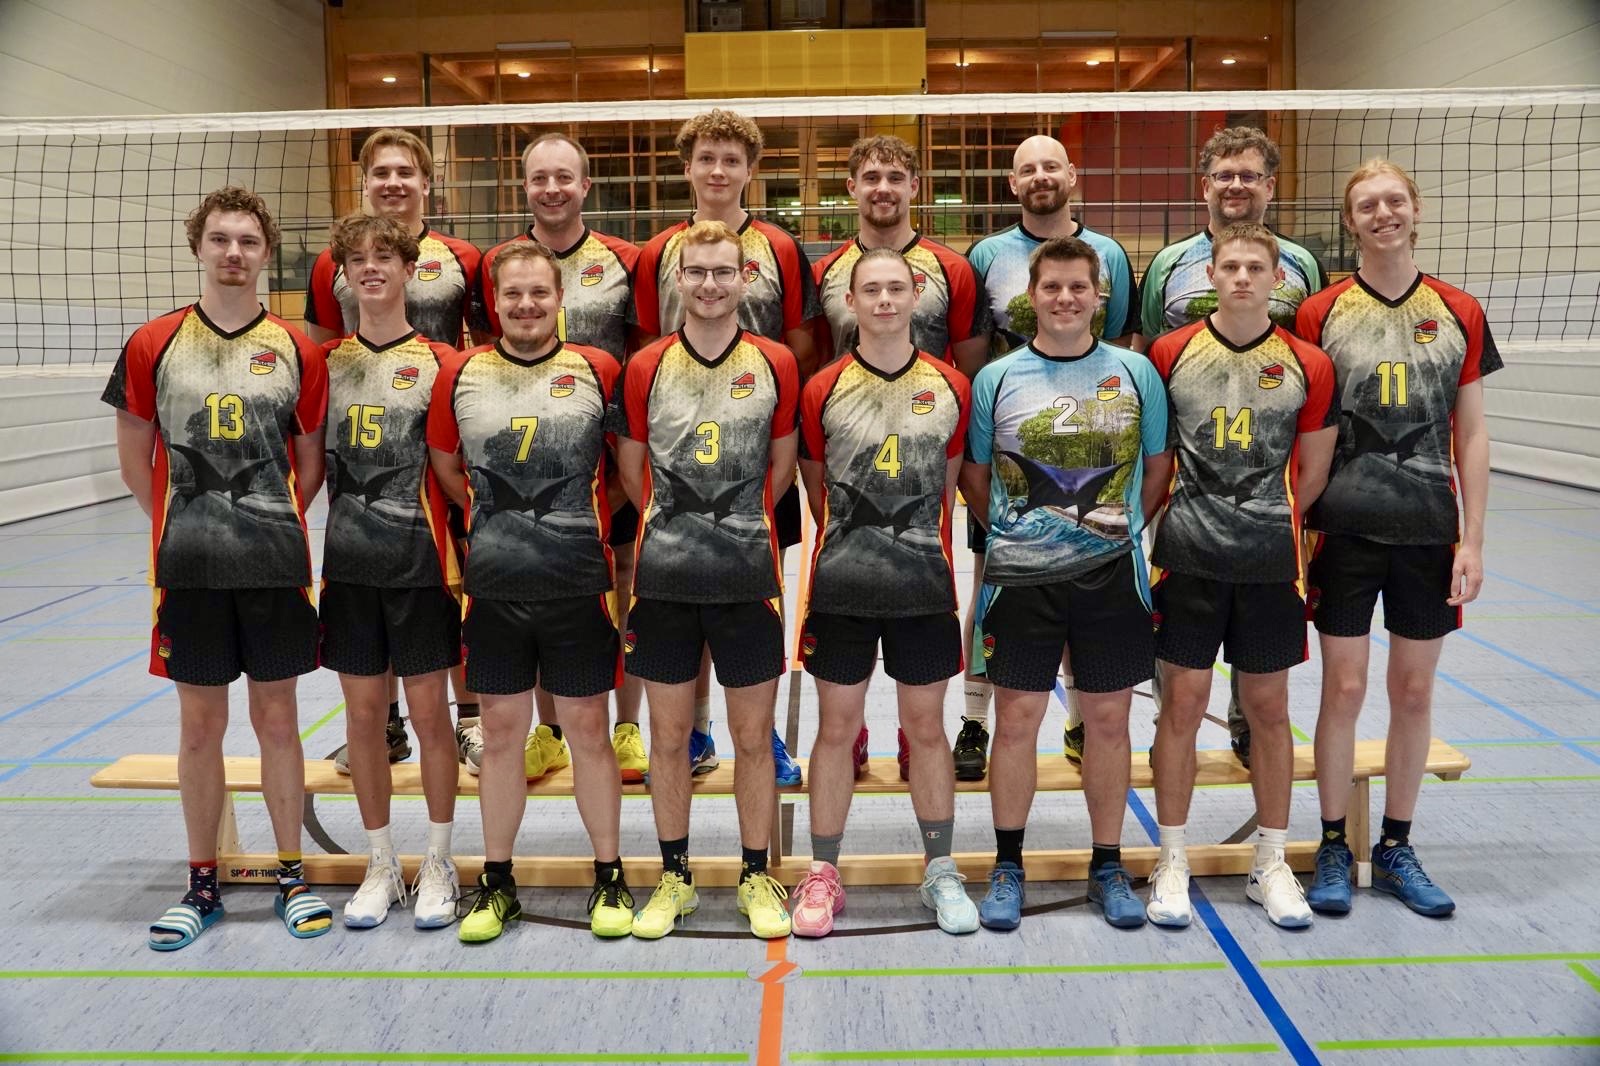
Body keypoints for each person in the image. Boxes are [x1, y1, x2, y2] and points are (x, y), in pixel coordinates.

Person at [106, 186, 333, 950]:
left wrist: (261, 524)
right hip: (190, 572)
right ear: (199, 247)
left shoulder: (298, 348)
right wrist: (192, 527)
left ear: (267, 252)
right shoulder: (153, 343)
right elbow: (136, 461)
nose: (234, 253)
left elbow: (309, 463)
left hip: (275, 569)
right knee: (200, 727)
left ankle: (291, 876)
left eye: (247, 241)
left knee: (278, 721)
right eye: (220, 240)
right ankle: (201, 882)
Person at [1298, 160, 1499, 918]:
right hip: (1342, 531)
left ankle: (1395, 845)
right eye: (1366, 205)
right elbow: (1306, 430)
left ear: (1415, 210)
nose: (1382, 213)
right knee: (1344, 688)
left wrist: (1472, 539)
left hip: (1427, 534)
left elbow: (1471, 433)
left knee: (1413, 691)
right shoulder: (1320, 312)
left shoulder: (1459, 309)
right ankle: (1331, 843)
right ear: (1350, 221)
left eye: (1394, 201)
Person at [426, 241, 632, 942]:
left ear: (560, 298)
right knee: (503, 734)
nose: (526, 305)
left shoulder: (598, 369)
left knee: (588, 733)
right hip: (494, 589)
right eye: (512, 294)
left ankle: (609, 875)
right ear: (493, 303)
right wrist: (504, 525)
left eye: (539, 292)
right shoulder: (460, 373)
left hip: (579, 586)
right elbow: (448, 469)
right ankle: (497, 882)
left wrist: (567, 524)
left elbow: (626, 469)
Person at [961, 237, 1168, 932]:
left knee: (1107, 723)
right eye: (1052, 286)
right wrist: (1024, 538)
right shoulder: (997, 379)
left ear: (1099, 296)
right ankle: (1008, 866)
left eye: (1079, 286)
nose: (1065, 298)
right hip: (1021, 580)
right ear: (1032, 296)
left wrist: (1112, 531)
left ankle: (1106, 864)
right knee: (1017, 722)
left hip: (1112, 578)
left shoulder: (1136, 373)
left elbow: (1158, 468)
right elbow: (976, 479)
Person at [1143, 223, 1337, 930]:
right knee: (1181, 707)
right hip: (1187, 559)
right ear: (1212, 275)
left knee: (1268, 710)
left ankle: (1271, 861)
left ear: (1278, 278)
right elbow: (1158, 461)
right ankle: (1171, 858)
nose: (1244, 277)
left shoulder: (1309, 364)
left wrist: (1261, 521)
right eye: (1231, 266)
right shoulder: (1170, 353)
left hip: (1269, 565)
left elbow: (1311, 474)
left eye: (1257, 267)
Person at [612, 221, 801, 940]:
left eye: (724, 272)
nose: (711, 284)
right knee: (667, 739)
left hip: (748, 579)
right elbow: (633, 470)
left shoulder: (775, 361)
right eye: (697, 272)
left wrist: (733, 525)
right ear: (679, 280)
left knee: (752, 739)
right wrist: (683, 526)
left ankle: (755, 874)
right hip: (664, 579)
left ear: (745, 279)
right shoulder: (646, 365)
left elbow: (781, 468)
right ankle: (675, 878)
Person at [633, 108, 822, 786]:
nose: (718, 170)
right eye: (706, 158)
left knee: (756, 599)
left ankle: (758, 729)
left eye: (731, 160)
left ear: (750, 170)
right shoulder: (658, 252)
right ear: (687, 168)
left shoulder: (780, 247)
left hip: (755, 457)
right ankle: (696, 727)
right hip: (678, 461)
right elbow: (648, 344)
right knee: (684, 600)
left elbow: (799, 343)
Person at [791, 248, 976, 937]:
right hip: (841, 587)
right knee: (836, 731)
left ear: (916, 294)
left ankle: (940, 868)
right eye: (872, 290)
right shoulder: (822, 388)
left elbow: (948, 489)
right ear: (851, 301)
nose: (886, 301)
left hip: (923, 587)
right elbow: (818, 490)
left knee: (926, 730)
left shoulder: (951, 386)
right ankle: (823, 871)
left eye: (897, 288)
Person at [1140, 125, 1330, 769]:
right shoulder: (1169, 263)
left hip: (1268, 480)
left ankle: (1247, 721)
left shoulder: (1300, 264)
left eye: (1249, 175)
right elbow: (1147, 356)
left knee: (1260, 648)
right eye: (1224, 175)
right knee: (1183, 642)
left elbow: (1310, 360)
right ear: (1205, 186)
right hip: (1189, 484)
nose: (1236, 186)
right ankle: (1172, 723)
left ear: (1270, 186)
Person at [470, 132, 648, 785]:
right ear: (525, 187)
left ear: (585, 185)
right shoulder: (498, 263)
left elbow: (642, 354)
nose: (552, 189)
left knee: (624, 578)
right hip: (525, 462)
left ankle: (626, 728)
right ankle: (547, 734)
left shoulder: (624, 260)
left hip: (607, 450)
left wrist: (624, 463)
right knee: (539, 583)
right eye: (539, 178)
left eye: (564, 177)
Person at [811, 133, 991, 781]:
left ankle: (920, 734)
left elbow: (969, 369)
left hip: (925, 454)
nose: (882, 188)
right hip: (850, 456)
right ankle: (853, 732)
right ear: (852, 189)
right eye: (870, 177)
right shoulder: (826, 272)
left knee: (924, 591)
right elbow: (818, 364)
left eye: (895, 177)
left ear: (915, 187)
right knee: (848, 594)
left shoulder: (951, 269)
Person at [304, 127, 483, 774]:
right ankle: (384, 726)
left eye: (405, 171)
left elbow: (488, 344)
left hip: (440, 436)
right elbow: (320, 352)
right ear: (364, 182)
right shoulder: (332, 263)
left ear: (427, 182)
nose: (393, 182)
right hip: (369, 445)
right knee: (371, 579)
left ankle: (468, 720)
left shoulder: (462, 256)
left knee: (453, 583)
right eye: (380, 172)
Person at [965, 133, 1142, 776]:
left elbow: (1115, 344)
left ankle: (1078, 720)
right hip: (1010, 453)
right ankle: (975, 720)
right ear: (1013, 184)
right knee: (990, 584)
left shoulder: (1109, 254)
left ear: (1071, 174)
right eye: (1027, 169)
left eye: (1051, 165)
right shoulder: (986, 254)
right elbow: (974, 352)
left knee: (1084, 578)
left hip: (1091, 447)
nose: (1040, 176)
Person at [318, 213, 461, 930]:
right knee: (365, 721)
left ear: (410, 269)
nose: (370, 268)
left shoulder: (443, 363)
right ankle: (380, 862)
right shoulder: (324, 364)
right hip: (349, 570)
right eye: (357, 259)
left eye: (384, 256)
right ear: (344, 275)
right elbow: (308, 469)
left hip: (422, 567)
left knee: (432, 718)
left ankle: (438, 860)